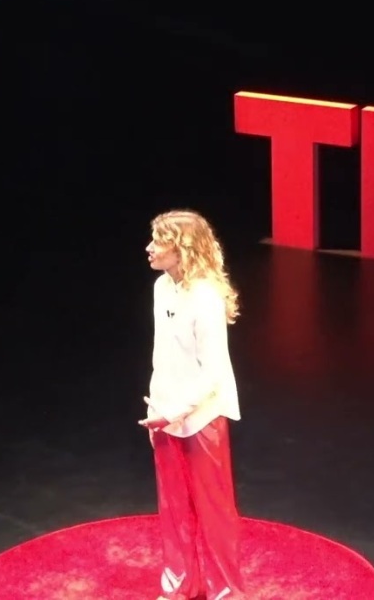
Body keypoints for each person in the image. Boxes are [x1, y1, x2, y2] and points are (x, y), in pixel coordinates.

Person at [139, 210, 245, 600]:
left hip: (204, 415)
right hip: (166, 413)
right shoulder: (161, 288)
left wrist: (176, 411)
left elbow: (213, 371)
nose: (149, 248)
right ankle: (179, 585)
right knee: (173, 505)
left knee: (213, 507)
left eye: (159, 241)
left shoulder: (206, 297)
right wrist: (157, 409)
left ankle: (225, 591)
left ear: (181, 248)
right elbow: (162, 356)